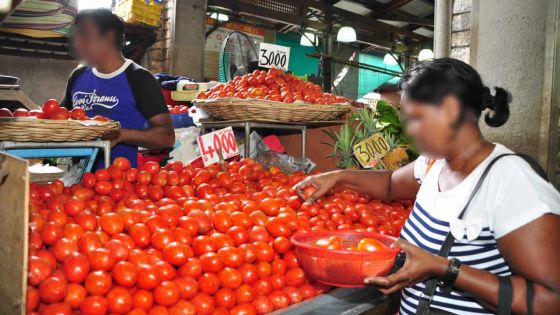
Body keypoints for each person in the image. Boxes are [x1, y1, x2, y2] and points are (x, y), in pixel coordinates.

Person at [295, 58, 560, 314]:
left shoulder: (512, 182)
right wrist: (338, 177)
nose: (409, 130)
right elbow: (389, 184)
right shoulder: (434, 164)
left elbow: (551, 300)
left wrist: (446, 269)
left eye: (416, 118)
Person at [61, 9, 174, 168]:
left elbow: (166, 136)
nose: (78, 44)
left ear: (109, 37)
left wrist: (121, 135)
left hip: (119, 185)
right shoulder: (78, 75)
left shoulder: (139, 78)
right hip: (77, 180)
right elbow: (60, 119)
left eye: (85, 37)